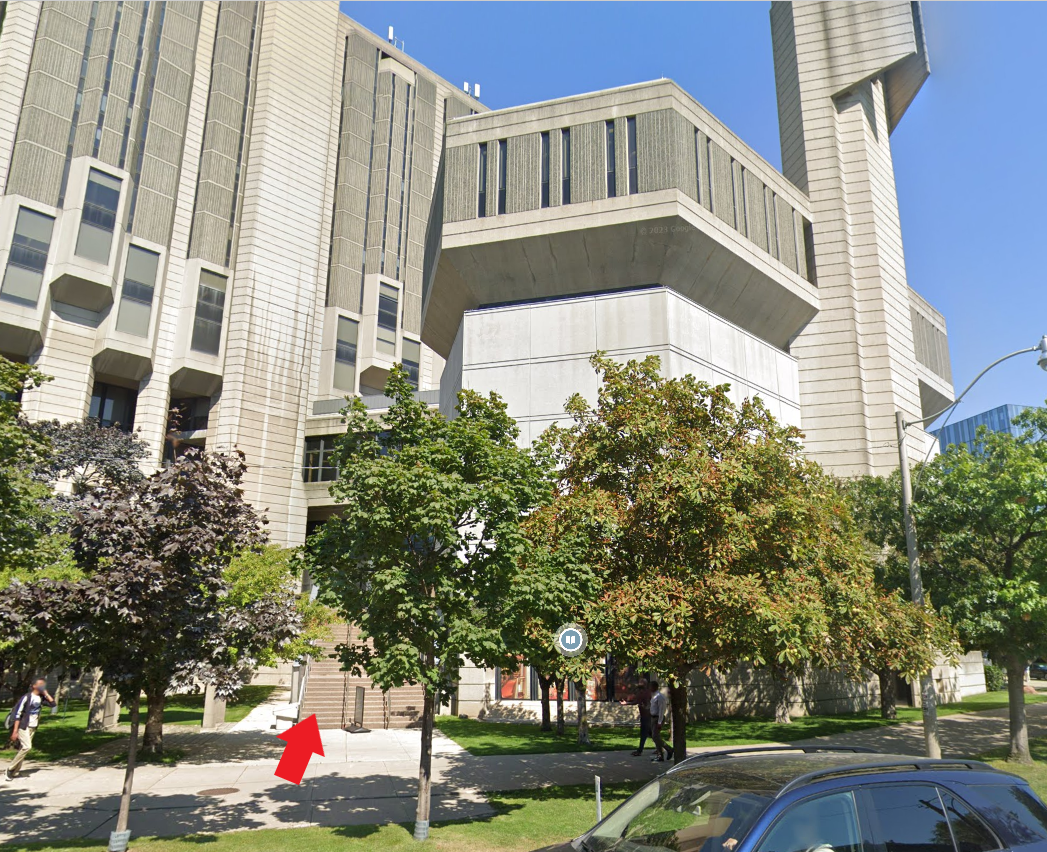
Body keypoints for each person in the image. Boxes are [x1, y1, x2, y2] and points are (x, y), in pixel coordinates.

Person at [5, 679, 56, 782]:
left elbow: (53, 704)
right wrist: (15, 731)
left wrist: (45, 693)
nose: (42, 686)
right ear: (34, 686)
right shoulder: (27, 697)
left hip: (33, 726)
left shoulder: (41, 698)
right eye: (40, 684)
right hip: (24, 726)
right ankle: (10, 769)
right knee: (27, 747)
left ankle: (15, 772)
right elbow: (17, 715)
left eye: (43, 685)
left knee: (23, 749)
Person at [623, 676, 652, 756]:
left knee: (644, 734)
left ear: (644, 684)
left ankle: (639, 751)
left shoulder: (645, 693)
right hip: (646, 715)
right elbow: (637, 701)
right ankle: (664, 748)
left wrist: (627, 703)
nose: (639, 684)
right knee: (652, 734)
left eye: (640, 682)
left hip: (646, 716)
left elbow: (638, 702)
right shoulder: (643, 692)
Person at [649, 680, 673, 762]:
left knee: (655, 737)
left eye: (650, 686)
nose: (649, 688)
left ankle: (669, 749)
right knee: (655, 737)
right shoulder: (654, 696)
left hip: (658, 719)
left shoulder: (660, 697)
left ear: (655, 687)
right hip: (652, 718)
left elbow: (661, 710)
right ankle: (660, 756)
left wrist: (659, 722)